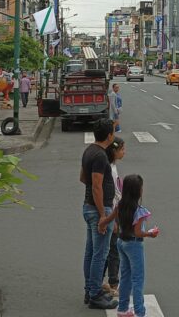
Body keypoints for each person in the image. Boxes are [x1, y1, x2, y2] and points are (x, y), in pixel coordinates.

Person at [101, 174, 159, 317]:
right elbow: (138, 233)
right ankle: (140, 312)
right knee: (138, 279)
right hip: (134, 245)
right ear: (138, 191)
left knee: (125, 276)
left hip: (121, 242)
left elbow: (111, 219)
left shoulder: (120, 206)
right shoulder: (139, 211)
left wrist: (102, 223)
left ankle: (122, 309)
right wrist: (150, 234)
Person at [80, 119, 118, 310]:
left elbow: (82, 178)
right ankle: (94, 294)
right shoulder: (101, 155)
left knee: (91, 253)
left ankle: (90, 289)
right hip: (98, 210)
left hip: (89, 207)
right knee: (99, 255)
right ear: (109, 136)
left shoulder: (89, 151)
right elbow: (96, 185)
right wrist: (103, 215)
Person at [101, 137, 126, 297]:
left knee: (108, 248)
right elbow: (110, 194)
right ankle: (113, 283)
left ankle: (99, 280)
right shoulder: (109, 169)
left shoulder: (112, 166)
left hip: (114, 211)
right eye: (123, 149)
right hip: (112, 211)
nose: (125, 152)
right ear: (114, 151)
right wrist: (112, 218)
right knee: (113, 249)